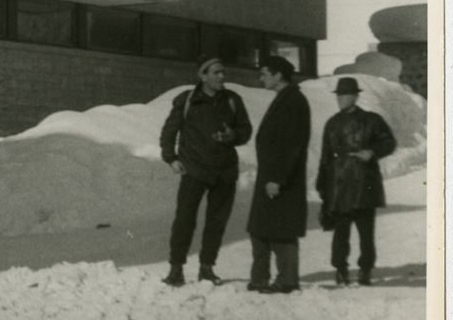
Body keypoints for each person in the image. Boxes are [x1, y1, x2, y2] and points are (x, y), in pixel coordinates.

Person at [159, 57, 252, 286]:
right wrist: (171, 158)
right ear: (203, 76)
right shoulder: (187, 100)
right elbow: (169, 131)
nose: (222, 77)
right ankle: (176, 269)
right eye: (216, 72)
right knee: (184, 220)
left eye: (223, 72)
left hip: (225, 172)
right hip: (194, 170)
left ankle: (207, 268)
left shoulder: (232, 99)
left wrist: (233, 136)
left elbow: (246, 130)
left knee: (216, 222)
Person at [316, 77, 397, 286]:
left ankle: (365, 269)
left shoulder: (372, 120)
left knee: (366, 231)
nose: (340, 99)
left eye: (344, 95)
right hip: (340, 183)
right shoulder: (332, 123)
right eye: (338, 95)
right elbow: (325, 157)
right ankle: (341, 268)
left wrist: (372, 152)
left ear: (355, 96)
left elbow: (389, 142)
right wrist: (323, 185)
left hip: (364, 181)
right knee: (341, 232)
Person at [246, 55, 311, 294]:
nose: (260, 78)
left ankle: (287, 280)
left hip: (282, 179)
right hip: (270, 176)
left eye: (264, 74)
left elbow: (293, 143)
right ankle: (260, 278)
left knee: (282, 231)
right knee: (260, 229)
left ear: (277, 75)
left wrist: (278, 178)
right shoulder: (284, 98)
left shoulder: (294, 101)